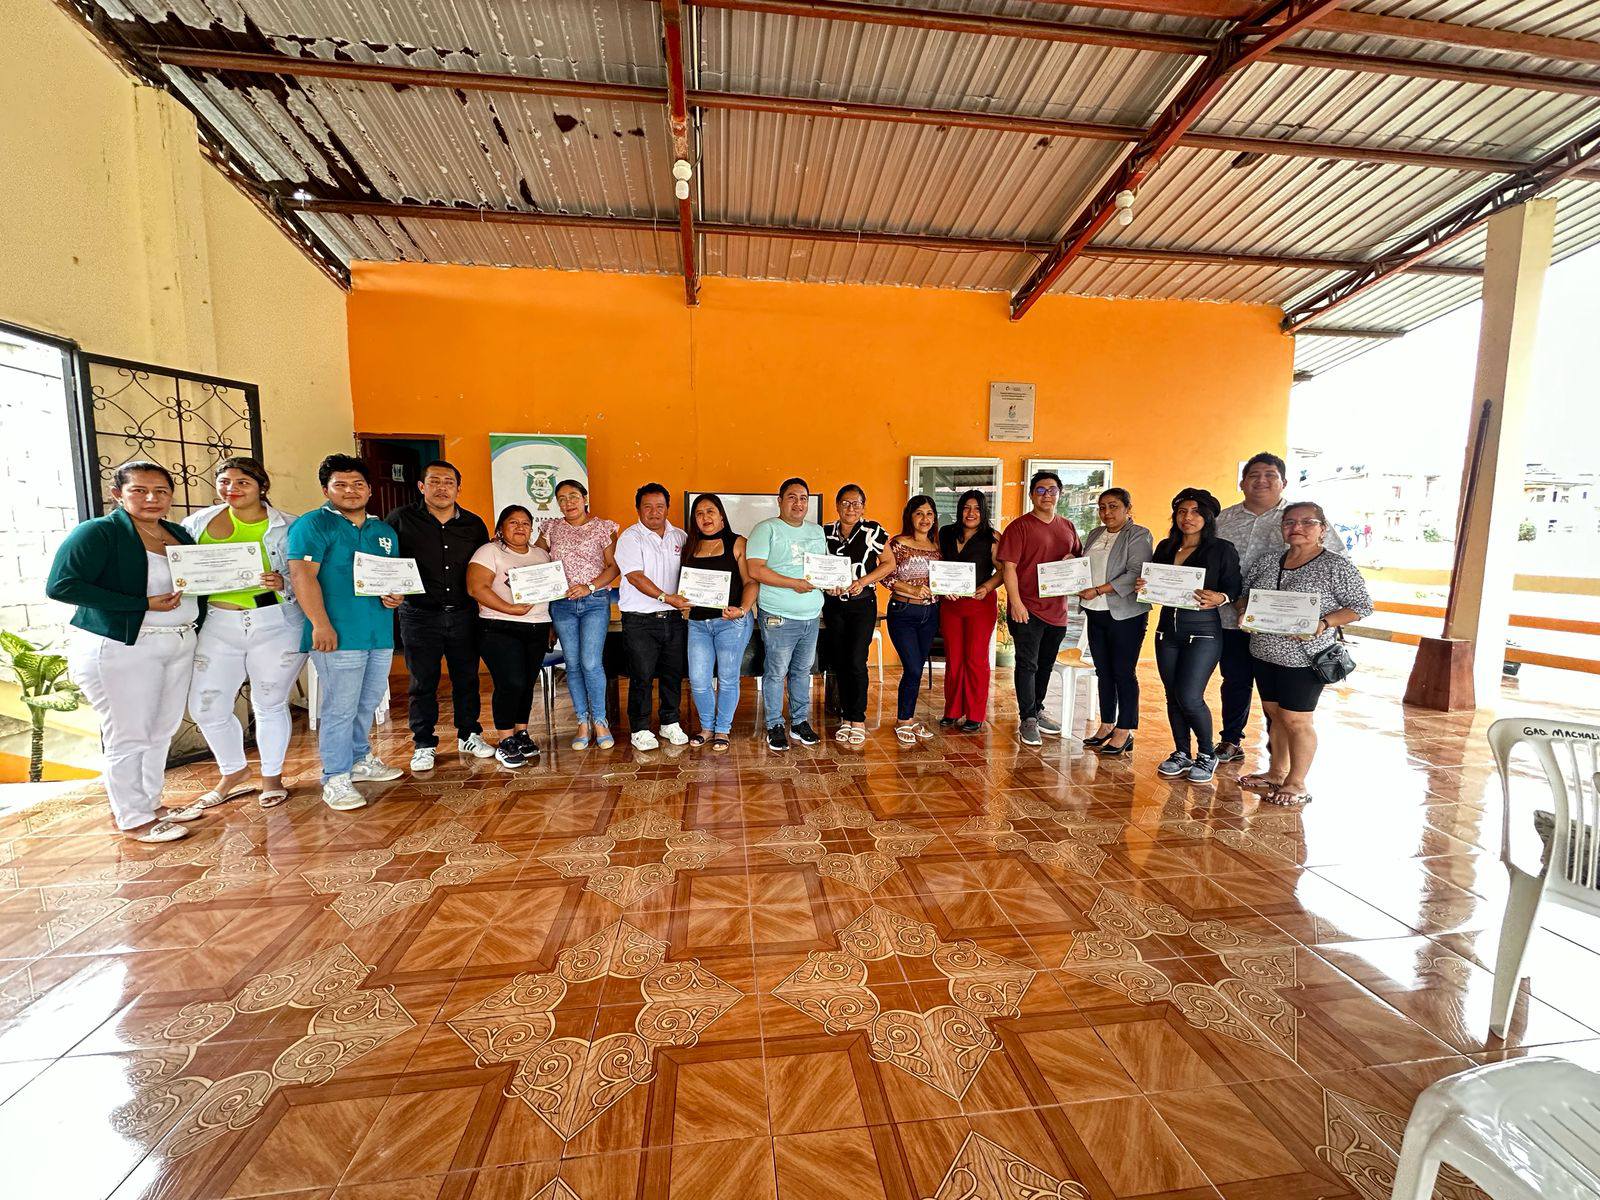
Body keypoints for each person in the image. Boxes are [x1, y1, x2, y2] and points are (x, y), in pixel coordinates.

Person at [46, 462, 207, 842]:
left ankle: (151, 803)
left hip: (177, 641)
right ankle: (133, 817)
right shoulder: (99, 532)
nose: (152, 498)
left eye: (161, 491)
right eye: (139, 490)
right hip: (124, 645)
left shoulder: (178, 533)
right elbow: (61, 585)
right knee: (128, 732)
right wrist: (140, 603)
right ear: (118, 494)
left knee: (162, 728)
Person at [181, 457, 305, 810]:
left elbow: (307, 574)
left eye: (242, 483)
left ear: (261, 486)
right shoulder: (196, 524)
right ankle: (233, 771)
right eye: (224, 482)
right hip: (218, 623)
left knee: (270, 702)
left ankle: (272, 776)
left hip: (275, 621)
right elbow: (180, 565)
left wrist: (283, 582)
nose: (231, 489)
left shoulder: (288, 526)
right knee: (206, 704)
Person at [288, 454, 407, 811]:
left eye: (358, 484)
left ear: (370, 490)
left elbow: (390, 578)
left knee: (367, 702)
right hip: (336, 634)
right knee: (340, 707)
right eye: (340, 484)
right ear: (326, 490)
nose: (351, 491)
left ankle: (358, 758)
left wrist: (395, 596)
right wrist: (320, 624)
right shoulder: (313, 525)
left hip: (378, 633)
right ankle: (335, 777)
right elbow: (302, 576)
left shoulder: (383, 532)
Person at [1237, 501, 1373, 806]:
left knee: (1296, 719)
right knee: (1275, 714)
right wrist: (1244, 611)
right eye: (1289, 522)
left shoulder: (1336, 566)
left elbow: (1362, 606)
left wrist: (1324, 623)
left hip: (1305, 657)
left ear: (1323, 529)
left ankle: (1297, 783)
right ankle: (1276, 772)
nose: (1296, 527)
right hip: (1264, 652)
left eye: (1307, 522)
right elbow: (1245, 595)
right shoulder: (1268, 562)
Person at [1214, 452, 1342, 765]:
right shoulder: (1222, 520)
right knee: (1235, 680)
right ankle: (1231, 740)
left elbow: (1334, 564)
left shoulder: (1300, 517)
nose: (1262, 481)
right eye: (1254, 475)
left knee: (1279, 698)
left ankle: (1279, 761)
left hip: (1285, 631)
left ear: (1283, 482)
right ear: (1242, 483)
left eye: (1270, 475)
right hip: (1232, 618)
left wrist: (1323, 619)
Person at [385, 461, 491, 772]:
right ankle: (423, 743)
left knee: (466, 678)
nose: (442, 487)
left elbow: (484, 566)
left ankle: (469, 734)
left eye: (449, 482)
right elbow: (384, 562)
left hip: (464, 614)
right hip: (419, 614)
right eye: (434, 481)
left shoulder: (473, 524)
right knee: (422, 682)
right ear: (421, 486)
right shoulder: (400, 520)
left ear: (458, 488)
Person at [1138, 488, 1241, 785]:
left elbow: (1234, 587)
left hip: (1203, 632)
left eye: (1195, 512)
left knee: (1189, 696)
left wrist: (1220, 598)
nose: (1188, 517)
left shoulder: (1222, 549)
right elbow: (1153, 582)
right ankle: (1182, 752)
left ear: (1207, 517)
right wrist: (1144, 585)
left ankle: (1206, 754)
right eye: (1182, 511)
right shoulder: (1166, 546)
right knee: (1172, 695)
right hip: (1166, 631)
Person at [997, 470, 1083, 747]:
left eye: (1052, 490)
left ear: (1060, 494)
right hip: (1027, 609)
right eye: (1041, 490)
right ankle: (1027, 718)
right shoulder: (1019, 527)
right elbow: (1009, 568)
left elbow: (1079, 561)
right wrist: (1016, 603)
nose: (1047, 495)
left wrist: (1072, 560)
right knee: (1027, 664)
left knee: (1045, 664)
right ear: (1032, 495)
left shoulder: (1068, 526)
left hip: (1058, 610)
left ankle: (1037, 708)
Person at [537, 479, 620, 750]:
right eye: (561, 499)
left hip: (594, 601)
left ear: (585, 498)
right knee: (572, 664)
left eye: (573, 496)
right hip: (561, 605)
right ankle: (582, 722)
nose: (568, 502)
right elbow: (534, 559)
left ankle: (600, 721)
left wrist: (590, 586)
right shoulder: (550, 529)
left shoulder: (602, 528)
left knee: (591, 662)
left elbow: (613, 567)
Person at [466, 505, 552, 768]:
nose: (520, 527)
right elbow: (476, 588)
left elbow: (550, 591)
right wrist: (510, 609)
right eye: (513, 522)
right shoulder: (489, 551)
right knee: (510, 683)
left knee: (526, 683)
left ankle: (521, 732)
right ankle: (505, 740)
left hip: (537, 627)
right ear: (501, 528)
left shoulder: (541, 555)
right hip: (499, 627)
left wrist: (550, 625)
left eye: (525, 523)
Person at [746, 477, 827, 752]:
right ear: (779, 501)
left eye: (803, 498)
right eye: (792, 497)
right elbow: (756, 570)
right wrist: (794, 584)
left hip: (811, 615)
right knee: (776, 672)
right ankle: (774, 725)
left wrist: (833, 581)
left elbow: (823, 568)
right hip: (778, 615)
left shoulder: (817, 531)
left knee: (802, 671)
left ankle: (800, 722)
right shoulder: (766, 529)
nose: (798, 503)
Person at [1077, 488, 1154, 758]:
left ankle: (1125, 728)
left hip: (1125, 614)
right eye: (1102, 507)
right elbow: (1085, 567)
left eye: (1113, 506)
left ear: (1127, 508)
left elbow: (1135, 573)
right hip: (1095, 611)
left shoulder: (1139, 534)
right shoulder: (1095, 534)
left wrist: (1099, 590)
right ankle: (1107, 723)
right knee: (1104, 671)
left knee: (1123, 671)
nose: (1106, 512)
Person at [616, 483, 690, 751]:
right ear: (638, 509)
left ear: (668, 508)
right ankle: (640, 728)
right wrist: (667, 597)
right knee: (642, 676)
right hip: (640, 620)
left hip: (674, 619)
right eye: (647, 506)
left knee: (673, 674)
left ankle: (670, 722)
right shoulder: (630, 538)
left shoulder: (681, 537)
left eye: (660, 506)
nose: (654, 512)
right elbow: (635, 577)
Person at [682, 493, 758, 752]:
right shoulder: (690, 546)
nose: (705, 517)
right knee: (698, 679)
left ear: (722, 515)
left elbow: (751, 582)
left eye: (710, 511)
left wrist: (742, 610)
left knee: (727, 678)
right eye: (699, 513)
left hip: (730, 622)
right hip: (698, 623)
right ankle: (707, 727)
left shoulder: (738, 543)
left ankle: (722, 729)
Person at [822, 485, 890, 746]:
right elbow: (817, 565)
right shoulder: (825, 532)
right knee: (839, 661)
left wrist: (862, 581)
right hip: (833, 604)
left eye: (856, 503)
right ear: (837, 505)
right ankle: (845, 718)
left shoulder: (873, 530)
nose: (851, 508)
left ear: (863, 506)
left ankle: (857, 718)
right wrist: (825, 583)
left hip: (862, 604)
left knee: (857, 660)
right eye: (846, 503)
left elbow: (889, 564)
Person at [879, 495, 942, 745]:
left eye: (929, 514)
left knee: (916, 668)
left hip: (931, 614)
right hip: (903, 612)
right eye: (919, 513)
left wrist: (949, 588)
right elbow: (886, 577)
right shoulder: (897, 544)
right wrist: (912, 589)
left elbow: (944, 578)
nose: (924, 519)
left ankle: (909, 717)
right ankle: (903, 720)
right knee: (913, 667)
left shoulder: (938, 547)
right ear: (910, 517)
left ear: (934, 518)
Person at [937, 490, 1000, 734]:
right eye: (966, 507)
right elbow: (937, 565)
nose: (971, 513)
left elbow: (1003, 570)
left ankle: (975, 714)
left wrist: (987, 587)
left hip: (979, 604)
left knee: (975, 659)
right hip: (951, 605)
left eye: (976, 508)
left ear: (983, 511)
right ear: (959, 510)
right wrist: (942, 588)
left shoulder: (992, 537)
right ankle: (952, 710)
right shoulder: (945, 533)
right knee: (954, 659)